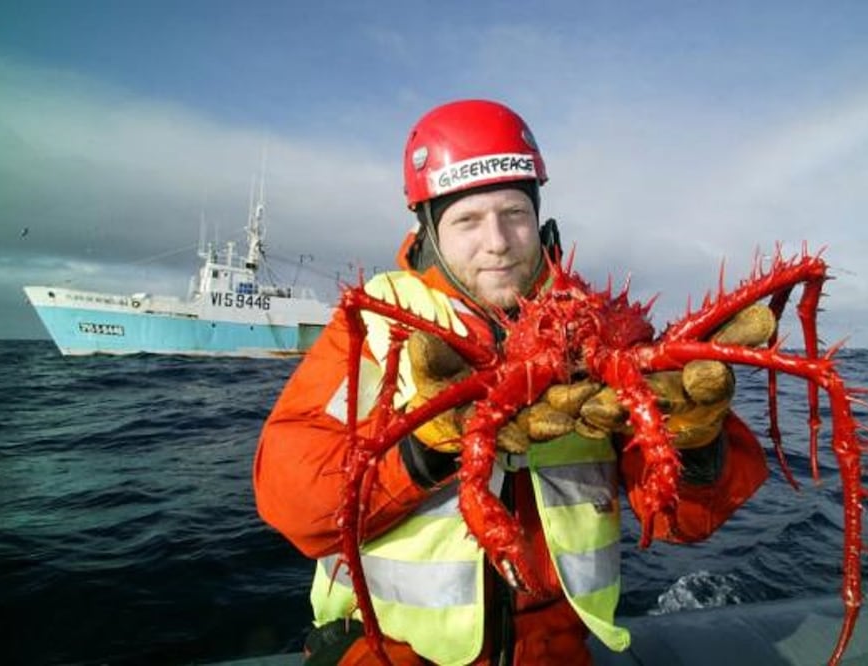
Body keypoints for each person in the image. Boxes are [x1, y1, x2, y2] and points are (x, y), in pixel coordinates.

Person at [254, 99, 772, 665]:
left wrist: (697, 441)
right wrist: (422, 451)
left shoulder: (592, 322)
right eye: (467, 221)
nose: (497, 241)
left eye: (514, 214)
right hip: (387, 652)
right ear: (427, 228)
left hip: (557, 651)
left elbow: (684, 522)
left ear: (541, 218)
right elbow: (293, 506)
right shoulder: (378, 320)